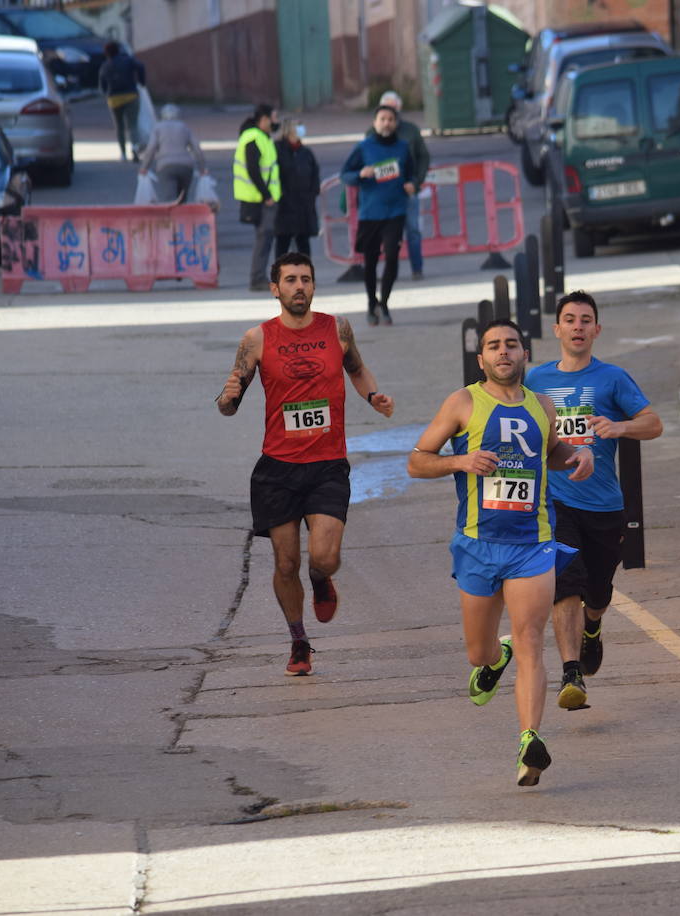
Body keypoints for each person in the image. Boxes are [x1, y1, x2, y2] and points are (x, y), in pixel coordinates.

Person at [407, 319, 594, 787]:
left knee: (532, 639)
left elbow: (549, 452)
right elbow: (417, 460)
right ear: (481, 359)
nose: (503, 352)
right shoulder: (463, 402)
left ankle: (530, 741)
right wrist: (459, 460)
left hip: (532, 542)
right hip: (477, 542)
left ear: (525, 354)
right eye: (494, 346)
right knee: (478, 652)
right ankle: (495, 657)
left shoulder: (542, 405)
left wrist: (575, 455)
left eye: (512, 344)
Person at [216, 252, 395, 677]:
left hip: (328, 463)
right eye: (291, 280)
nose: (300, 287)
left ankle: (321, 578)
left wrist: (373, 396)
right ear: (275, 288)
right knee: (284, 564)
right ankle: (299, 640)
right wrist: (226, 398)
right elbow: (230, 402)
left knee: (325, 557)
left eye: (307, 279)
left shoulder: (337, 328)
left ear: (314, 286)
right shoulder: (256, 339)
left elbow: (358, 369)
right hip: (278, 467)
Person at [524, 291, 662, 710]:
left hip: (604, 505)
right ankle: (571, 673)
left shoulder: (613, 378)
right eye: (570, 319)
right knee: (565, 583)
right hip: (555, 502)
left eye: (586, 320)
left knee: (597, 593)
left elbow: (653, 424)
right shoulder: (536, 381)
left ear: (596, 330)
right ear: (557, 329)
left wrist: (620, 428)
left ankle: (593, 628)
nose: (578, 326)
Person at [340, 105, 415, 326]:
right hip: (371, 212)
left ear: (396, 123)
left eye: (390, 119)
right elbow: (345, 174)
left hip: (395, 210)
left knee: (392, 256)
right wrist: (360, 174)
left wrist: (412, 183)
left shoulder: (403, 147)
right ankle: (371, 303)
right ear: (375, 123)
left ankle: (385, 302)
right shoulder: (364, 147)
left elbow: (411, 171)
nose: (386, 123)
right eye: (382, 119)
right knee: (370, 261)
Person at [375, 91, 430, 279]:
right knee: (388, 235)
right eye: (386, 110)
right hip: (383, 194)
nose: (389, 117)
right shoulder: (373, 133)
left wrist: (416, 181)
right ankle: (390, 272)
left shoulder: (410, 131)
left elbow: (423, 157)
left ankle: (417, 269)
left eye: (394, 108)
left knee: (413, 230)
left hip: (407, 191)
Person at [234, 104, 281, 292]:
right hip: (259, 200)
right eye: (274, 118)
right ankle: (257, 278)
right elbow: (253, 169)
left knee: (265, 239)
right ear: (264, 120)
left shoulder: (262, 137)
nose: (276, 122)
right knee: (264, 238)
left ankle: (259, 276)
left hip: (262, 198)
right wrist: (267, 195)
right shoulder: (253, 138)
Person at [138, 103, 207, 203]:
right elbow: (196, 148)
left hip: (165, 166)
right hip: (186, 167)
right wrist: (202, 168)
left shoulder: (158, 128)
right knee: (182, 199)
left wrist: (144, 168)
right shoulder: (184, 127)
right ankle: (183, 216)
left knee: (170, 199)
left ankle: (172, 217)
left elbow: (151, 149)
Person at [273, 119, 320, 258]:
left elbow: (314, 174)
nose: (300, 130)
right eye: (297, 127)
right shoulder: (277, 150)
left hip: (304, 204)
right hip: (285, 204)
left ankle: (306, 276)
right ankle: (280, 275)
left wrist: (312, 194)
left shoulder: (305, 152)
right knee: (283, 241)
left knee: (303, 242)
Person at [97, 41, 147, 162]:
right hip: (131, 95)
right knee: (133, 124)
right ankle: (135, 150)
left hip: (114, 99)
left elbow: (102, 83)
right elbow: (141, 67)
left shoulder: (105, 65)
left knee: (119, 126)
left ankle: (123, 153)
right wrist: (141, 81)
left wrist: (105, 92)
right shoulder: (128, 60)